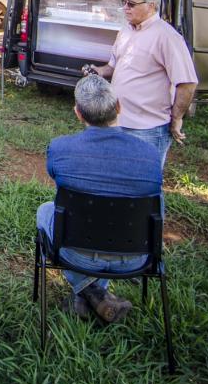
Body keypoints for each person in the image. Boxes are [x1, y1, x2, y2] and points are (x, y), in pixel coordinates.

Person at [37, 74, 162, 322]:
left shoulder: (60, 148)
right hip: (137, 256)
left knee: (46, 210)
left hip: (74, 252)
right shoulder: (150, 155)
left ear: (78, 113)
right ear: (118, 107)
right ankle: (96, 295)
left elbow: (55, 176)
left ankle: (87, 291)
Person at [85, 0, 197, 165]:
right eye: (124, 2)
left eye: (131, 4)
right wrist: (97, 71)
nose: (125, 8)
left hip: (148, 129)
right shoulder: (126, 30)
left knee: (144, 185)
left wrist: (176, 118)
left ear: (151, 5)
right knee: (118, 177)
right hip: (117, 122)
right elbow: (114, 66)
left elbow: (187, 83)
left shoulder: (167, 36)